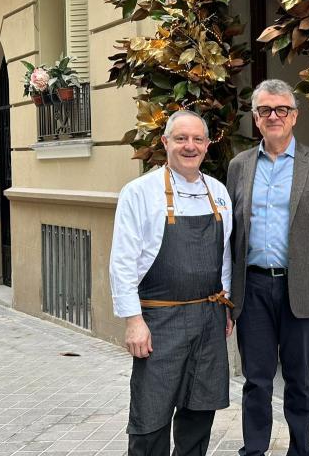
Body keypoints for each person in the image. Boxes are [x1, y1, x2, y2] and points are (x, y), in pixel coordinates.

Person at [227, 79, 309, 456]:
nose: (273, 116)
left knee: (299, 379)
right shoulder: (239, 166)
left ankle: (300, 450)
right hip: (253, 290)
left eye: (281, 109)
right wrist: (227, 293)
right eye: (265, 110)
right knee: (256, 380)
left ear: (294, 116)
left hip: (302, 289)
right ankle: (254, 450)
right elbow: (231, 235)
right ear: (255, 118)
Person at [109, 110, 234, 456]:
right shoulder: (139, 192)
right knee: (151, 413)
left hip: (209, 317)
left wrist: (226, 305)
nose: (189, 146)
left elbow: (225, 255)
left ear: (207, 146)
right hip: (160, 321)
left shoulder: (219, 192)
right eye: (181, 139)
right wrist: (133, 321)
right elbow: (122, 262)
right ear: (165, 142)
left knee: (200, 410)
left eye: (197, 139)